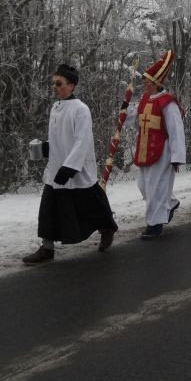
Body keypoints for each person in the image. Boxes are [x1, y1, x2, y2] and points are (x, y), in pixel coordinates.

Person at [23, 64, 119, 265]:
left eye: (59, 83)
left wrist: (70, 167)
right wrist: (46, 148)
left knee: (90, 201)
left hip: (77, 167)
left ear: (72, 85)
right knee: (48, 205)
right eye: (53, 84)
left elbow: (81, 140)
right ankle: (47, 247)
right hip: (56, 166)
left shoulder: (81, 109)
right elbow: (60, 137)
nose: (55, 87)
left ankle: (107, 228)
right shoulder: (55, 107)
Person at [124, 50, 186, 239]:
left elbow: (176, 131)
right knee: (144, 185)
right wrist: (124, 112)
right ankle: (171, 202)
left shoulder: (168, 103)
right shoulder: (144, 99)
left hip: (163, 151)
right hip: (144, 150)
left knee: (156, 188)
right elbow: (134, 121)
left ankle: (155, 224)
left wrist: (177, 157)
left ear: (156, 83)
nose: (144, 84)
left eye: (147, 81)